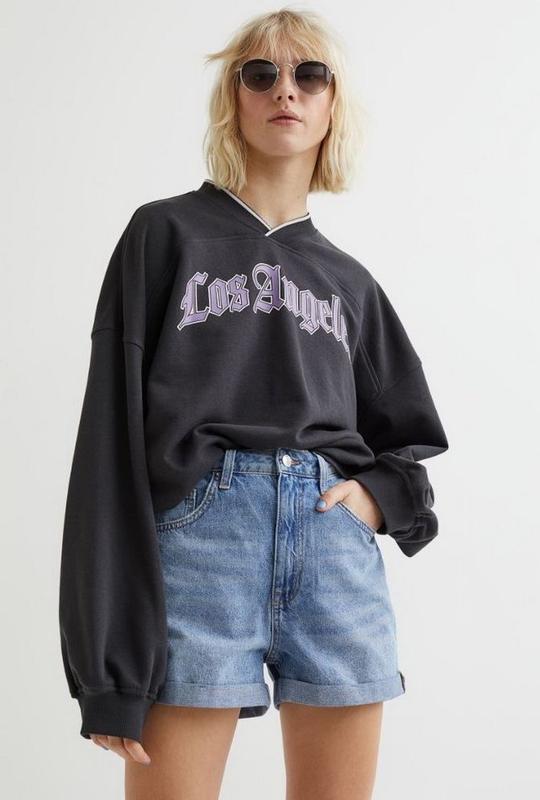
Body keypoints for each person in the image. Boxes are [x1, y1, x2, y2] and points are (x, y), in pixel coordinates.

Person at [59, 8, 449, 799]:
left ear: (333, 103)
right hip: (198, 549)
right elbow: (107, 443)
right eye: (260, 74)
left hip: (333, 551)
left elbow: (409, 437)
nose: (286, 91)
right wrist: (109, 673)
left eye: (310, 74)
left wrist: (375, 499)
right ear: (233, 97)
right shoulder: (163, 235)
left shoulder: (350, 283)